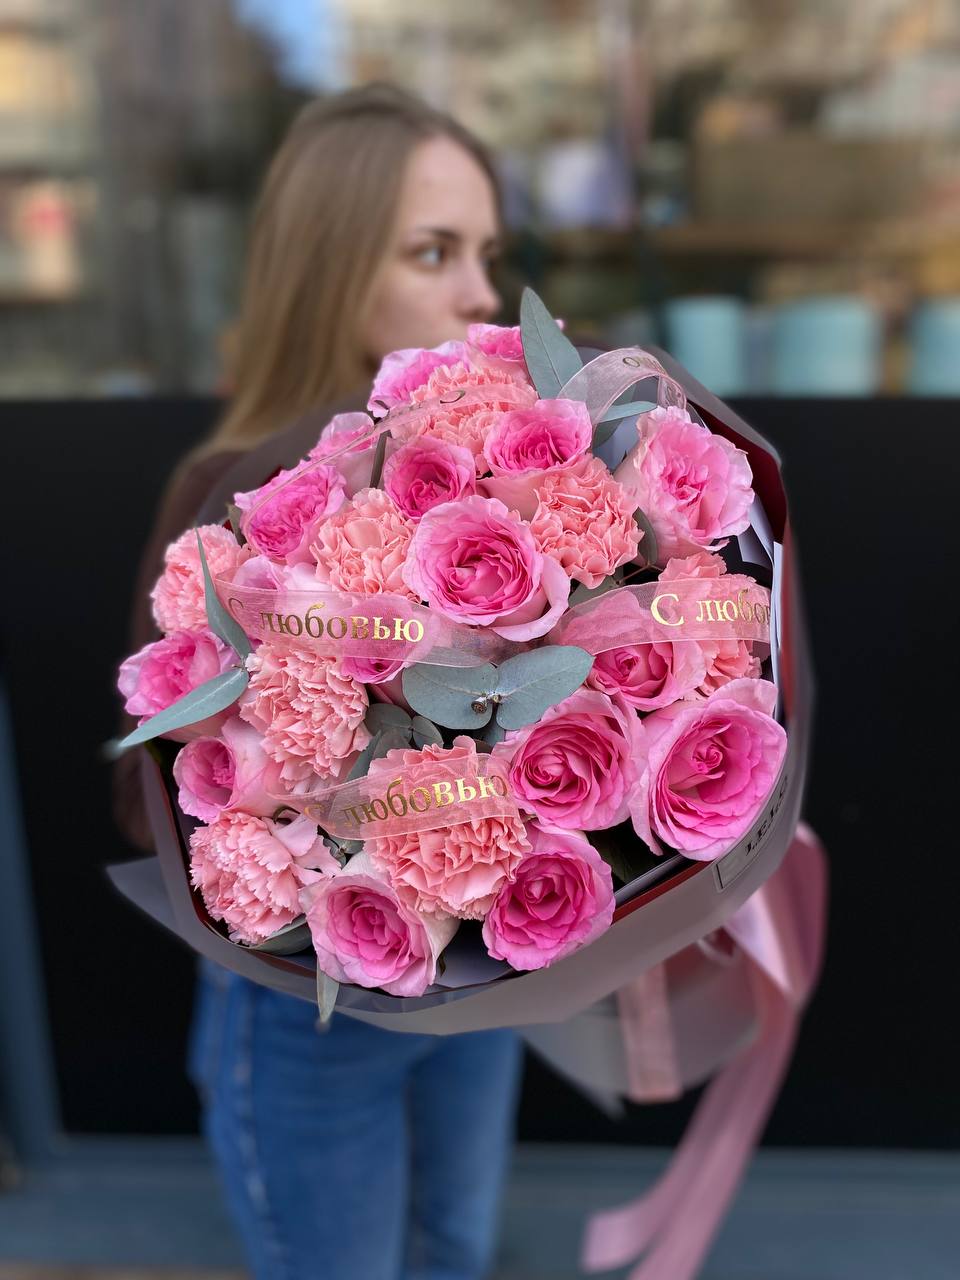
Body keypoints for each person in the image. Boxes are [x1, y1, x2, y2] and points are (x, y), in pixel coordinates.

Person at [118, 83, 523, 1280]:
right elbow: (151, 800)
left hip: (480, 987)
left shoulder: (501, 481)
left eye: (486, 254)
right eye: (432, 252)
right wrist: (321, 808)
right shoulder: (228, 492)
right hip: (308, 1011)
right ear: (331, 265)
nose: (481, 293)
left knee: (458, 1251)